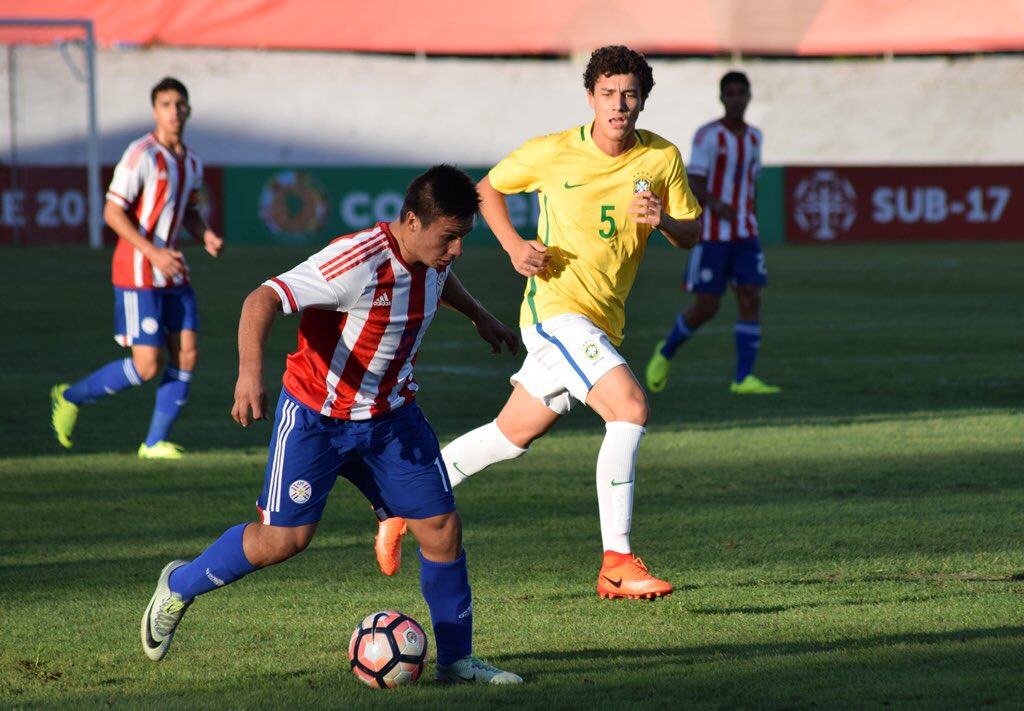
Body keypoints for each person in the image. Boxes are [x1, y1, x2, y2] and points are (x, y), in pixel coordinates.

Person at [140, 165, 523, 684]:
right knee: (285, 542)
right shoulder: (357, 261)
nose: (456, 250)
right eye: (449, 237)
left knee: (441, 530)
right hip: (317, 419)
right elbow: (263, 298)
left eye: (462, 238)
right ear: (411, 221)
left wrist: (479, 315)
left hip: (391, 418)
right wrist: (249, 374)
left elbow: (439, 276)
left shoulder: (431, 256)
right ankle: (180, 584)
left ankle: (456, 662)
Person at [373, 46, 701, 600]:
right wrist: (512, 245)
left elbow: (691, 232)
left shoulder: (661, 158)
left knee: (510, 436)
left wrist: (663, 219)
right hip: (556, 312)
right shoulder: (553, 153)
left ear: (643, 99)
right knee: (630, 409)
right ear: (591, 97)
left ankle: (400, 506)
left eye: (629, 95)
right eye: (608, 94)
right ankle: (616, 562)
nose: (618, 105)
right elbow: (488, 189)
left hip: (602, 320)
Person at [50, 77, 224, 459]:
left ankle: (154, 443)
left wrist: (206, 235)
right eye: (166, 104)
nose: (174, 111)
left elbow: (189, 210)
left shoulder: (191, 161)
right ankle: (70, 396)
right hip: (138, 272)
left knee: (187, 354)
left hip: (173, 269)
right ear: (155, 110)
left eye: (180, 104)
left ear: (188, 110)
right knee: (147, 365)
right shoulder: (140, 154)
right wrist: (153, 252)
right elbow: (112, 212)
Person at [645, 71, 780, 395]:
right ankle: (665, 351)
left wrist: (754, 221)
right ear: (722, 98)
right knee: (707, 305)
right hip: (713, 235)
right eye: (730, 93)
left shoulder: (754, 138)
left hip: (745, 233)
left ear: (748, 97)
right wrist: (716, 204)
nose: (735, 98)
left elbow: (752, 184)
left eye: (740, 93)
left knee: (751, 297)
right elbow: (696, 179)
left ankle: (743, 378)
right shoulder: (708, 136)